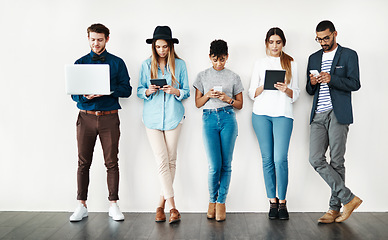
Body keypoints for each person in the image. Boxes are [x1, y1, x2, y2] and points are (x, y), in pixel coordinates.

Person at [70, 23, 132, 222]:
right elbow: (74, 95)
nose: (96, 43)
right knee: (83, 162)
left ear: (107, 39)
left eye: (100, 39)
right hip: (86, 117)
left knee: (111, 162)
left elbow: (127, 90)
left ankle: (113, 204)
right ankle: (81, 205)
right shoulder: (79, 63)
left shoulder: (118, 63)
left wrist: (108, 89)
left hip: (109, 118)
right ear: (88, 39)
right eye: (92, 39)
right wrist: (85, 97)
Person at [306, 20, 362, 224]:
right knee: (315, 158)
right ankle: (349, 199)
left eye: (326, 38)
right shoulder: (313, 58)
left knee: (337, 161)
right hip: (318, 115)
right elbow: (309, 90)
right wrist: (311, 83)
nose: (322, 42)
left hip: (338, 113)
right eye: (319, 39)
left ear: (335, 34)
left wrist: (332, 79)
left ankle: (333, 209)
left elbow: (355, 84)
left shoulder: (349, 55)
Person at [137, 26, 190, 224]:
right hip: (151, 118)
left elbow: (186, 91)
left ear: (170, 46)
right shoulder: (145, 65)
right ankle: (173, 207)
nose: (161, 50)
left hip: (174, 118)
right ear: (153, 46)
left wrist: (175, 91)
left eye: (165, 46)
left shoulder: (180, 65)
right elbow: (139, 91)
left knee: (171, 161)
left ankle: (160, 206)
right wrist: (149, 91)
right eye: (158, 46)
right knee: (161, 160)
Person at [248, 27, 300, 220]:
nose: (275, 46)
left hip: (283, 114)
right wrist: (264, 86)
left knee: (280, 159)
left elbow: (296, 94)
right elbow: (251, 93)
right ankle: (272, 201)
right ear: (266, 43)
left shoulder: (291, 63)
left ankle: (283, 203)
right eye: (271, 42)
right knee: (267, 160)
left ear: (283, 43)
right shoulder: (259, 63)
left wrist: (286, 89)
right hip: (261, 115)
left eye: (278, 42)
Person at [193, 39, 244, 222]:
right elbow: (197, 104)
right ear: (210, 57)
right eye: (215, 59)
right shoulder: (202, 76)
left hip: (228, 117)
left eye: (222, 59)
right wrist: (208, 95)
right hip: (209, 119)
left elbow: (240, 105)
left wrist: (226, 98)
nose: (218, 63)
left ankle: (221, 202)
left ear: (227, 57)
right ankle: (212, 201)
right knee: (214, 166)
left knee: (226, 164)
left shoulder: (234, 77)